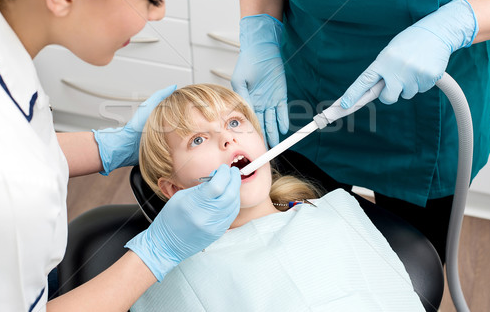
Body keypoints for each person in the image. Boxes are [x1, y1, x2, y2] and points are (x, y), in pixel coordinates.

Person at [0, 0, 242, 311]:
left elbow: (16, 143)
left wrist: (109, 147)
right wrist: (156, 254)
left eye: (235, 123)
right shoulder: (1, 183)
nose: (160, 14)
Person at [228, 0, 490, 262]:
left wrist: (451, 27)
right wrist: (259, 32)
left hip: (426, 113)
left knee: (409, 270)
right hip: (306, 92)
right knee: (302, 256)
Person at [129, 83, 425, 311]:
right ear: (173, 189)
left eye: (233, 122)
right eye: (197, 139)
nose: (227, 138)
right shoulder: (169, 271)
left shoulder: (336, 212)